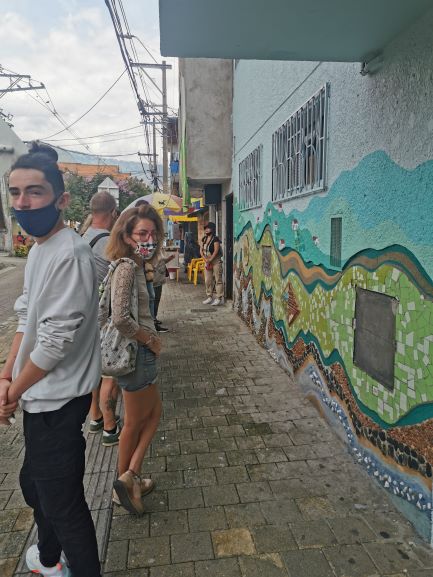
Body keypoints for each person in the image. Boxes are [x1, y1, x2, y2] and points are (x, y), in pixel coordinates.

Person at [0, 142, 101, 577]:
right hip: (38, 397)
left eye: (35, 191)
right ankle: (48, 555)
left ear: (61, 199)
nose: (23, 202)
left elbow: (55, 342)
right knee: (33, 484)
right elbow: (27, 315)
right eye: (15, 192)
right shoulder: (40, 248)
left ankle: (60, 562)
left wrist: (12, 393)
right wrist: (7, 374)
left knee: (63, 504)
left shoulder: (70, 253)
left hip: (59, 401)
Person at [106, 204, 163, 516]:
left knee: (151, 414)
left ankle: (130, 476)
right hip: (137, 354)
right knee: (135, 421)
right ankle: (126, 482)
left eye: (153, 233)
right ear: (127, 236)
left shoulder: (140, 266)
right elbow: (120, 318)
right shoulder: (127, 267)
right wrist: (150, 340)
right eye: (142, 233)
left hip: (142, 354)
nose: (148, 239)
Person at [82, 191, 121, 446]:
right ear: (113, 213)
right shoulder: (109, 243)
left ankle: (95, 417)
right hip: (105, 318)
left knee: (94, 372)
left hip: (84, 317)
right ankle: (110, 427)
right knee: (110, 373)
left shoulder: (82, 237)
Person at [201, 222, 224, 306]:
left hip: (215, 261)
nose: (206, 230)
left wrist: (210, 260)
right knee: (207, 280)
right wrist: (205, 259)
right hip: (207, 261)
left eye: (208, 228)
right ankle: (209, 296)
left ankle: (219, 298)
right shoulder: (204, 239)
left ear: (212, 229)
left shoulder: (215, 239)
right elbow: (201, 250)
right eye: (205, 228)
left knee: (218, 279)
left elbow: (216, 251)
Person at [153, 250, 176, 332]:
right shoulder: (151, 248)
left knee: (157, 299)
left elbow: (162, 261)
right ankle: (153, 320)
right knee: (153, 300)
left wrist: (170, 258)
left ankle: (154, 317)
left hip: (159, 279)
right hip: (154, 280)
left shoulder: (159, 248)